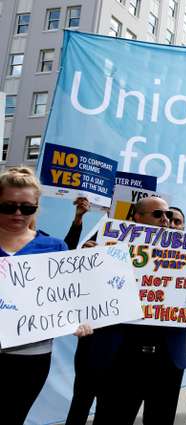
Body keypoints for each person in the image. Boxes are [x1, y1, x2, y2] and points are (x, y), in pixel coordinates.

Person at [0, 167, 93, 425]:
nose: (18, 213)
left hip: (30, 358)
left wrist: (77, 318)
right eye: (9, 206)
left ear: (36, 207)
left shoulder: (54, 247)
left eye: (27, 208)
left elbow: (68, 296)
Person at [94, 197, 186, 425]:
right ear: (138, 218)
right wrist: (92, 257)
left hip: (168, 358)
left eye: (168, 215)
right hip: (122, 356)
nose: (166, 220)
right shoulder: (112, 248)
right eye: (158, 214)